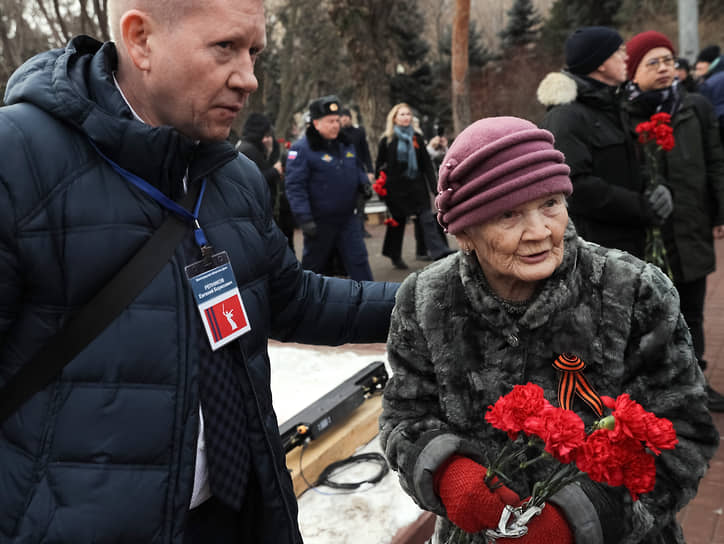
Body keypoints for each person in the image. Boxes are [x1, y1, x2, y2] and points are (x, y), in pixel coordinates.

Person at [0, 1, 398, 542]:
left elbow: (293, 300)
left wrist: (440, 295)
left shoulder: (233, 175)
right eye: (225, 48)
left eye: (254, 51)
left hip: (241, 517)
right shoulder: (19, 159)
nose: (250, 78)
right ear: (140, 39)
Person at [380, 116, 719, 544]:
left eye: (551, 204)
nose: (540, 231)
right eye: (509, 214)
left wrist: (579, 518)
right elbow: (405, 415)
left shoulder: (633, 291)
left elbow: (683, 435)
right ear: (464, 231)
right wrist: (448, 473)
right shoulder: (426, 298)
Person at [624, 30, 724, 412]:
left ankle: (695, 383)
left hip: (691, 222)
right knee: (652, 311)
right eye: (654, 62)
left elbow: (715, 161)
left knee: (693, 309)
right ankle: (656, 389)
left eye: (669, 60)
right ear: (633, 71)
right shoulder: (625, 114)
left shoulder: (694, 106)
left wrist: (718, 212)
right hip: (647, 230)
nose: (665, 68)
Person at [537, 26, 671, 259]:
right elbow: (575, 187)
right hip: (598, 253)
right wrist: (641, 207)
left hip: (631, 242)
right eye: (619, 52)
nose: (626, 58)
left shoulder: (614, 105)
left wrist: (657, 187)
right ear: (600, 62)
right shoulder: (565, 116)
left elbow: (633, 162)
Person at [285, 95, 374, 281]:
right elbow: (295, 186)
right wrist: (304, 219)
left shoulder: (345, 143)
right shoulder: (302, 149)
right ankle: (305, 306)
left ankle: (372, 303)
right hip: (319, 222)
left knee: (359, 262)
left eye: (337, 120)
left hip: (348, 218)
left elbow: (356, 167)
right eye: (330, 121)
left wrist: (363, 182)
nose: (336, 125)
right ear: (316, 123)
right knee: (314, 267)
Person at [375, 103, 452, 269]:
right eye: (402, 114)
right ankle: (394, 255)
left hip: (417, 188)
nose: (406, 117)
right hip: (395, 190)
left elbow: (427, 167)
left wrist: (435, 188)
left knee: (427, 219)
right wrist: (381, 188)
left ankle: (439, 252)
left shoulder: (416, 137)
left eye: (408, 114)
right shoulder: (387, 140)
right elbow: (379, 166)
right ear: (394, 118)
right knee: (398, 224)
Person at [236, 112, 296, 250]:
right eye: (265, 134)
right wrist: (274, 171)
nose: (267, 138)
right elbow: (254, 180)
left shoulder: (253, 148)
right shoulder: (248, 150)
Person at [340, 107, 374, 239]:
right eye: (342, 117)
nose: (344, 119)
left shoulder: (359, 132)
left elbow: (366, 152)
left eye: (346, 116)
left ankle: (361, 229)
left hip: (359, 172)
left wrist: (370, 170)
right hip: (344, 174)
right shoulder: (338, 135)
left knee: (361, 203)